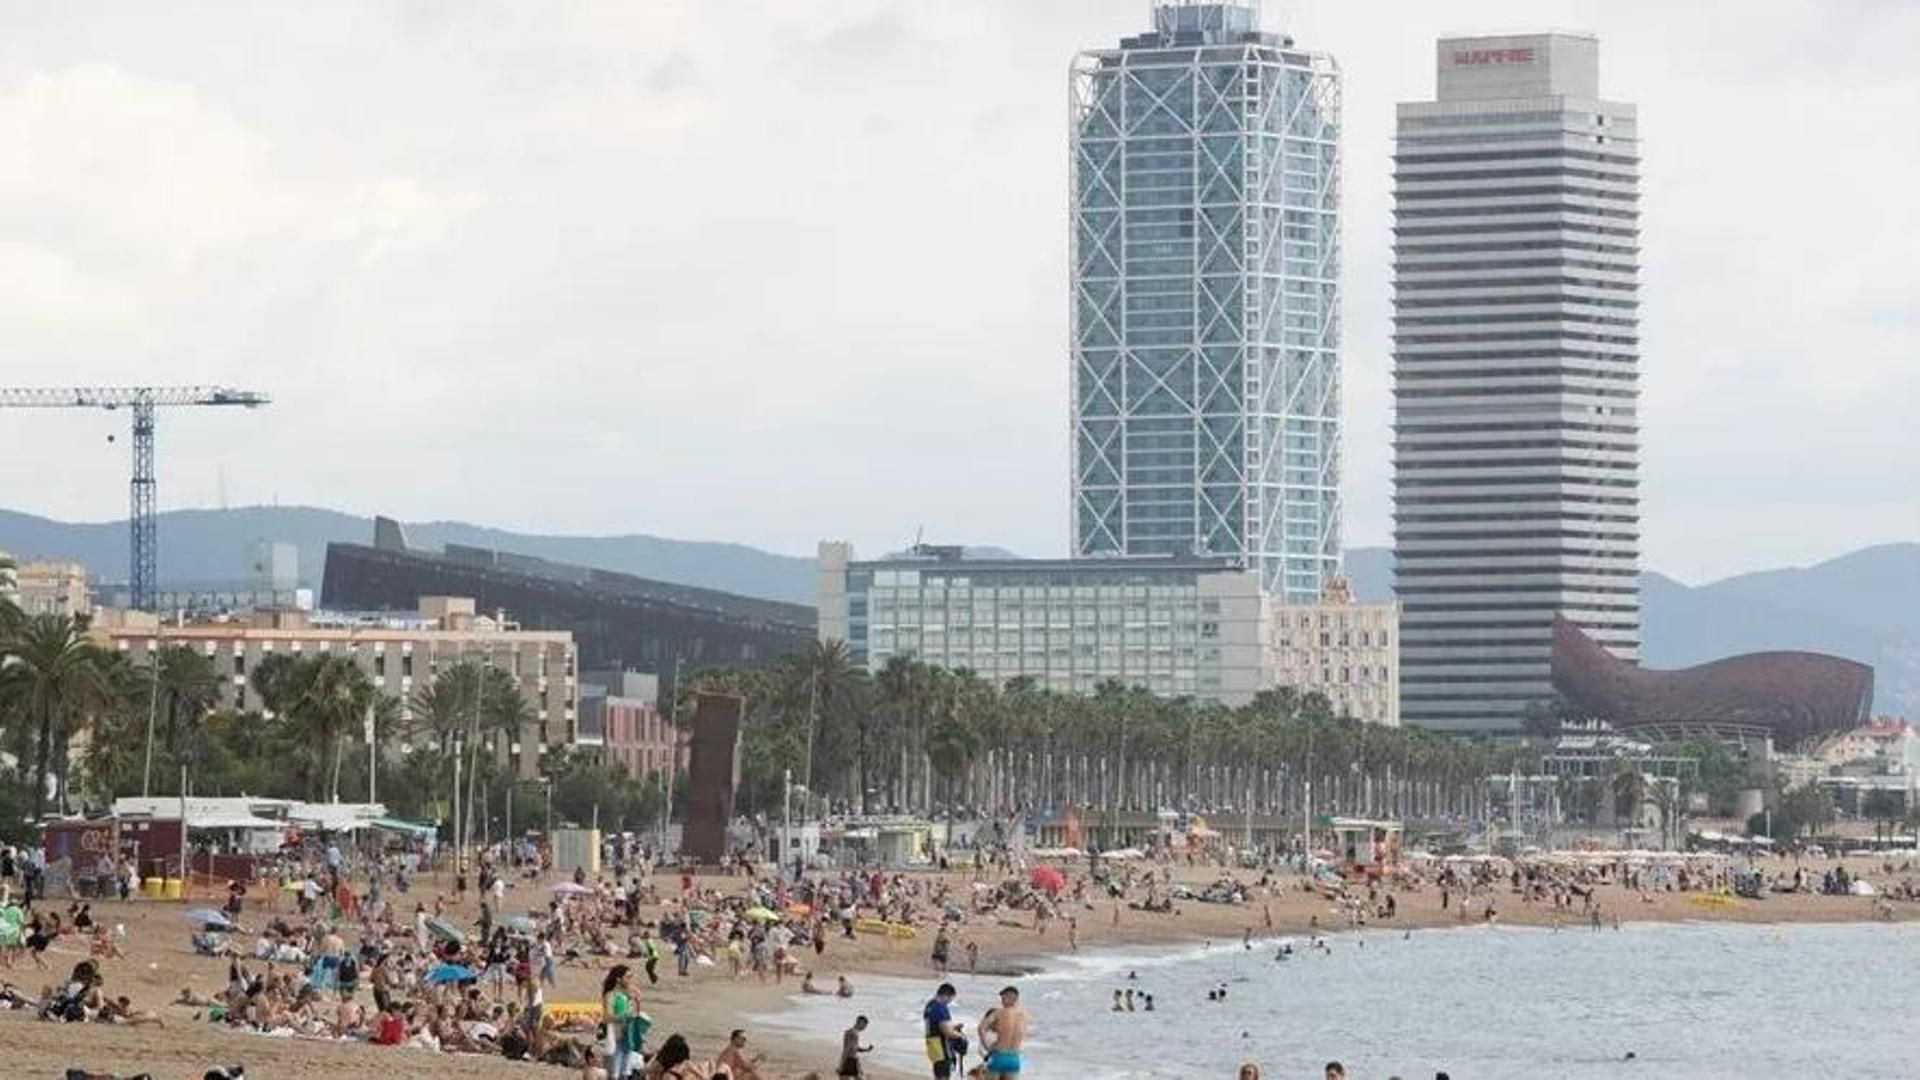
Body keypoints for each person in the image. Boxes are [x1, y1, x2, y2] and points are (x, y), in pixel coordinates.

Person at [978, 985, 1025, 1079]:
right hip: (1014, 1058)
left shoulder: (999, 1013)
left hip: (998, 1056)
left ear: (1011, 998)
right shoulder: (1023, 1015)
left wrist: (987, 1047)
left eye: (1003, 998)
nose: (1001, 1001)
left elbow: (981, 1028)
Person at [923, 982, 964, 1079]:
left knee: (938, 1072)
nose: (949, 1002)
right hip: (941, 1047)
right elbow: (947, 1032)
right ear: (946, 995)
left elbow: (936, 1025)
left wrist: (953, 1028)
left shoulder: (930, 1005)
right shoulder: (940, 1008)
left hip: (932, 1045)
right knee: (943, 1075)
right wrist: (960, 1036)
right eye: (950, 999)